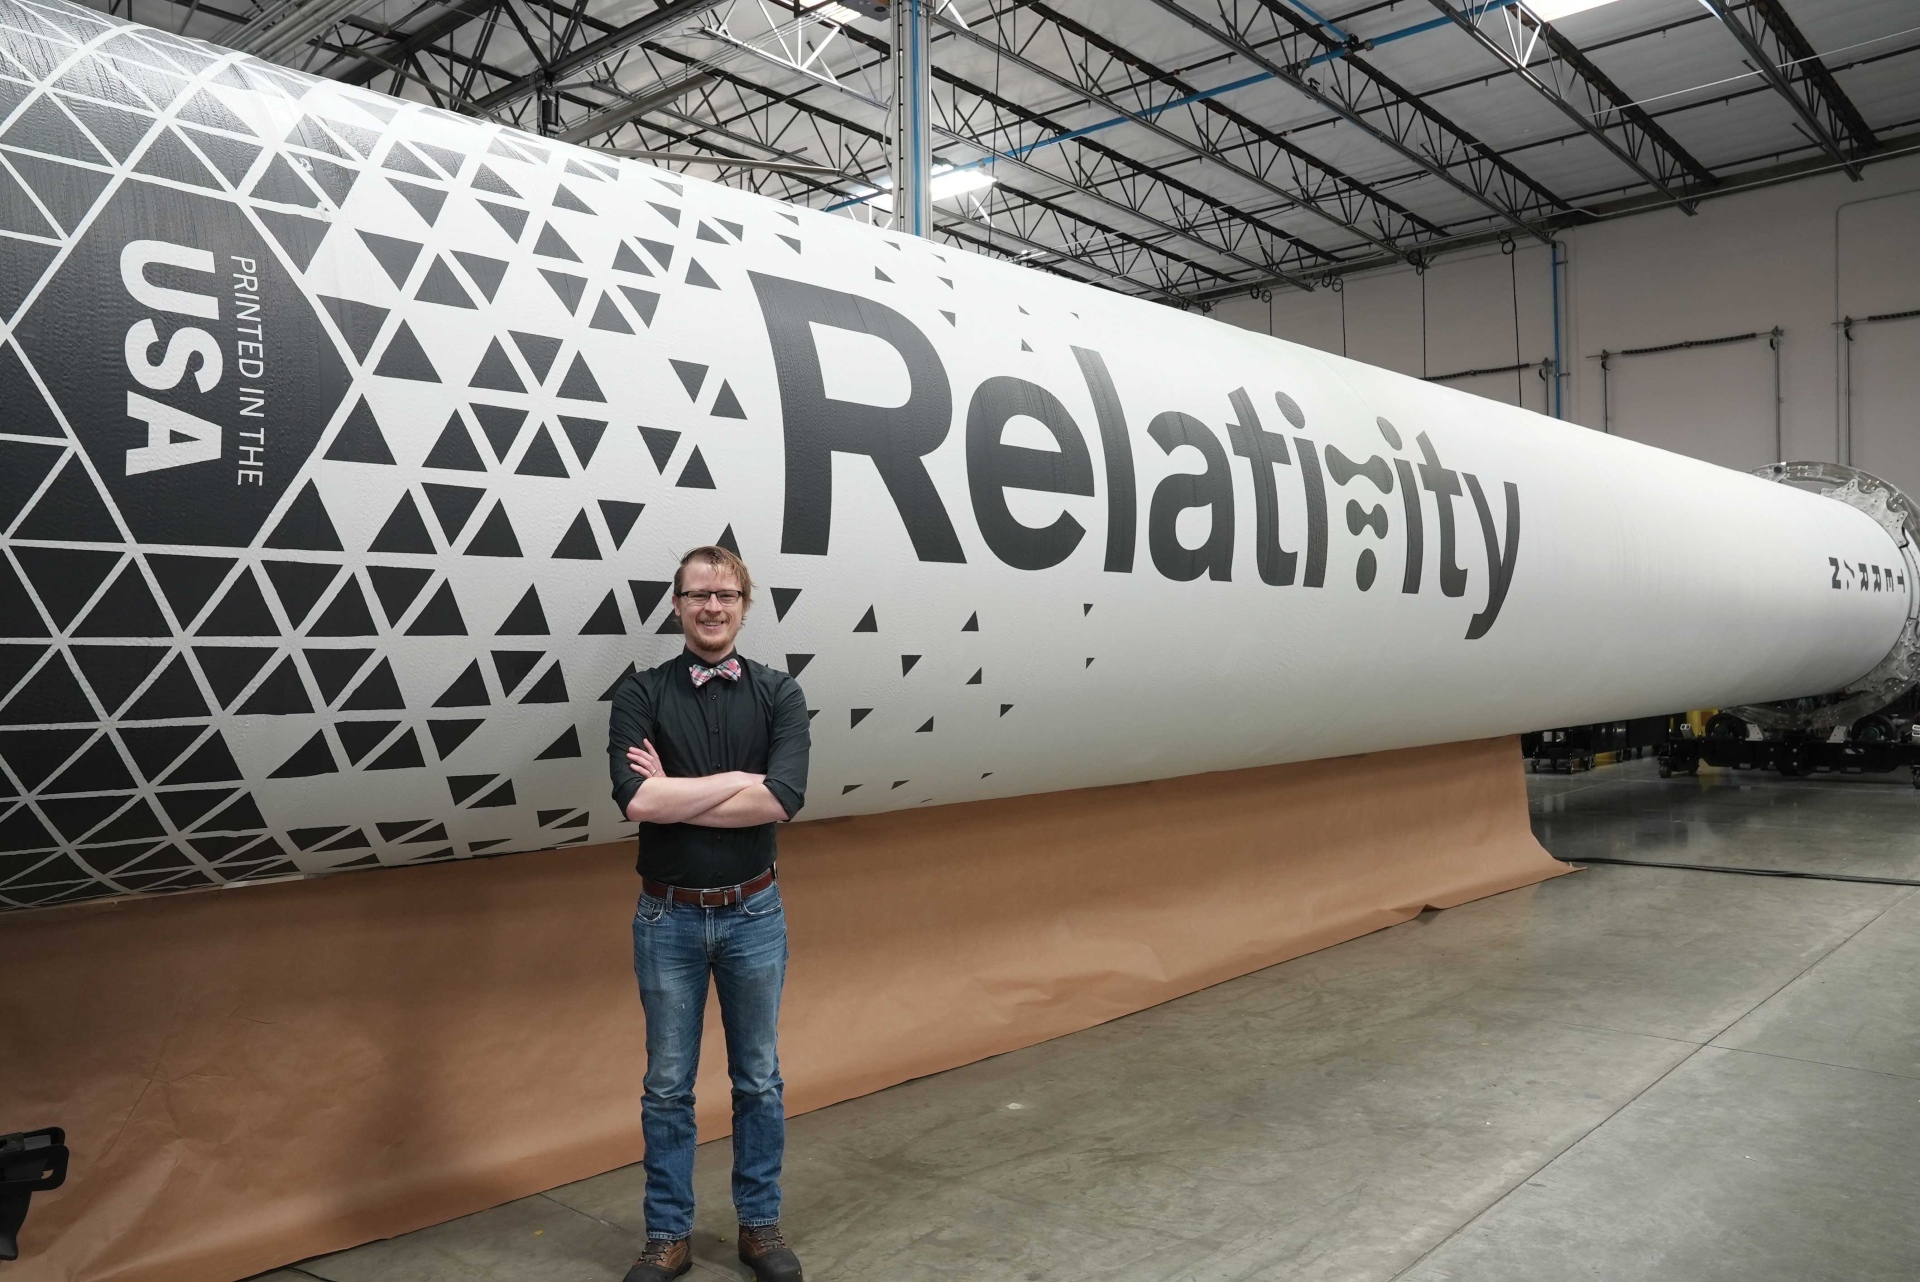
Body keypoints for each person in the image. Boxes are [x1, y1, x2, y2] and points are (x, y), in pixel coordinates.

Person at [606, 545, 810, 1282]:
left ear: (744, 604)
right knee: (667, 1085)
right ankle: (668, 1236)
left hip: (756, 914)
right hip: (668, 921)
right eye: (698, 595)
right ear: (677, 605)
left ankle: (759, 1227)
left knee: (758, 1078)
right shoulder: (640, 694)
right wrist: (735, 779)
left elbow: (781, 800)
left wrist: (682, 792)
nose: (712, 607)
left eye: (725, 595)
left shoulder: (780, 694)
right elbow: (637, 802)